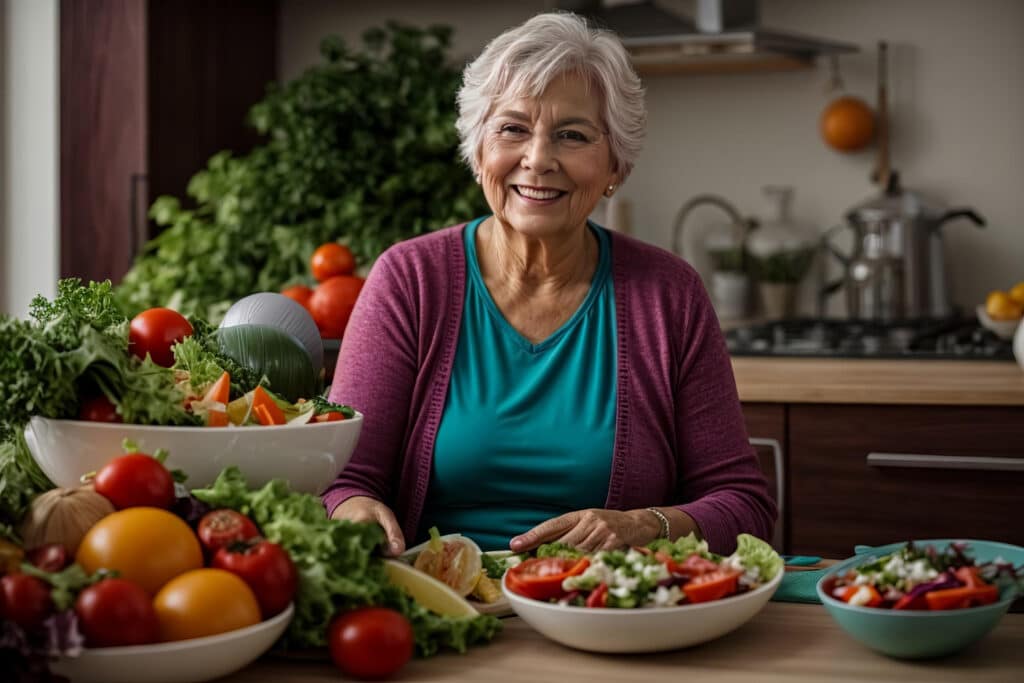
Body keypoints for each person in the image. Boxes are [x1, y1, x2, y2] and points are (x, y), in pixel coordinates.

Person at [322, 12, 776, 556]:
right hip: (445, 606)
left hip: (606, 612)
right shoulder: (410, 281)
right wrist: (352, 509)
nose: (538, 159)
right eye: (513, 129)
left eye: (572, 135)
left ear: (616, 166)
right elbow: (343, 480)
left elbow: (744, 505)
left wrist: (646, 526)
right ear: (479, 151)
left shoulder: (669, 294)